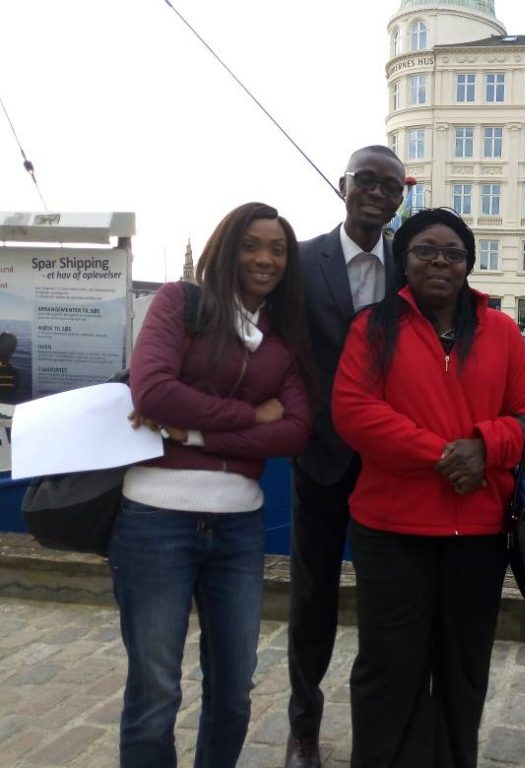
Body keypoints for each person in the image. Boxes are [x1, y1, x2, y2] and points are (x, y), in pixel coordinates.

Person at [333, 207, 525, 768]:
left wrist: (486, 446)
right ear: (403, 260)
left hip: (476, 533)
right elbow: (355, 413)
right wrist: (447, 456)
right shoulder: (371, 328)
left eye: (453, 253)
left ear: (469, 265)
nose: (440, 262)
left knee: (463, 665)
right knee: (389, 666)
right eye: (425, 249)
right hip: (392, 530)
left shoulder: (500, 332)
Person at [112, 202, 315, 768]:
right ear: (227, 248)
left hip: (239, 527)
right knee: (155, 691)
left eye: (278, 250)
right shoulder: (181, 303)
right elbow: (151, 392)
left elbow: (296, 431)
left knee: (234, 689)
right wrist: (252, 417)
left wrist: (194, 435)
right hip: (154, 520)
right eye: (252, 244)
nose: (265, 258)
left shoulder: (283, 337)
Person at [286, 145, 407, 768]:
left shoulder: (411, 265)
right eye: (368, 180)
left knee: (388, 599)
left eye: (392, 186)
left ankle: (380, 730)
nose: (379, 194)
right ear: (343, 184)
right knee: (313, 598)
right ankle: (303, 728)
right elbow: (274, 346)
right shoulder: (302, 262)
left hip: (392, 462)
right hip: (322, 459)